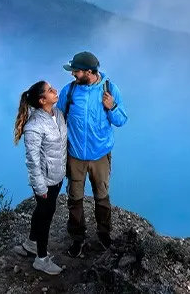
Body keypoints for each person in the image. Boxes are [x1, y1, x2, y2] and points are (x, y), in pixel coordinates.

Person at [57, 51, 128, 257]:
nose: (73, 74)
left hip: (100, 155)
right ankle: (77, 239)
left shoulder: (110, 90)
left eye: (76, 71)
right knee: (75, 198)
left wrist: (112, 107)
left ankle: (104, 235)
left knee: (102, 197)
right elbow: (59, 120)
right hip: (75, 154)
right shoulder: (69, 91)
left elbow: (122, 120)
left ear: (89, 72)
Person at [13, 80, 68, 275]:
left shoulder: (57, 114)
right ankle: (41, 259)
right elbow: (33, 161)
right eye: (50, 90)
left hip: (57, 176)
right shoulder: (34, 127)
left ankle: (30, 244)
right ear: (42, 100)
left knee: (42, 211)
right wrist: (40, 186)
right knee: (46, 216)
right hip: (45, 181)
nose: (55, 91)